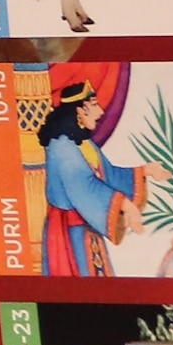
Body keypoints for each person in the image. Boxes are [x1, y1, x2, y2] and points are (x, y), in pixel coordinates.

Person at [38, 77, 149, 275]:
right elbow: (84, 186)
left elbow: (109, 174)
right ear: (80, 110)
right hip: (69, 233)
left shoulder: (83, 143)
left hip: (86, 226)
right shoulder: (62, 147)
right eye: (94, 105)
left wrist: (144, 171)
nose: (101, 112)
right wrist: (124, 204)